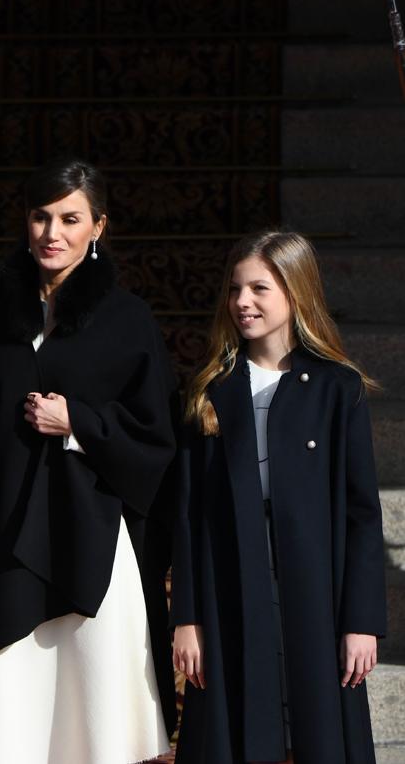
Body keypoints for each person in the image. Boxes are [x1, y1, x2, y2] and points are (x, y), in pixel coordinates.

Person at [0, 160, 176, 764]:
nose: (53, 232)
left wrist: (80, 423)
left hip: (98, 549)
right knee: (17, 725)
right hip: (4, 549)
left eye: (70, 218)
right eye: (40, 216)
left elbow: (157, 440)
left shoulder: (128, 320)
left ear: (98, 227)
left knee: (101, 723)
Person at [171, 231, 386, 763]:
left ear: (295, 291)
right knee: (236, 728)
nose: (242, 302)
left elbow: (362, 514)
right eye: (236, 289)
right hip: (229, 586)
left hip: (317, 591)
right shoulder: (209, 391)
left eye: (260, 288)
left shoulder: (339, 389)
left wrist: (361, 620)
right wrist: (187, 616)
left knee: (316, 727)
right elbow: (189, 513)